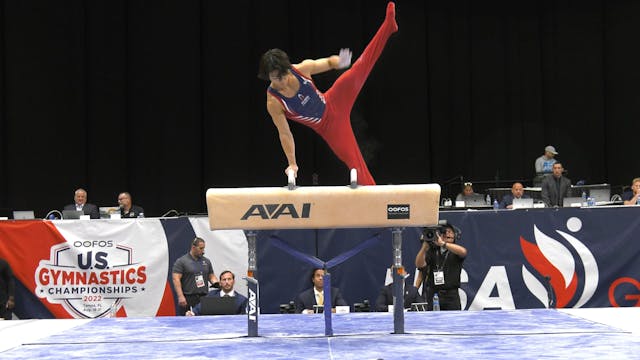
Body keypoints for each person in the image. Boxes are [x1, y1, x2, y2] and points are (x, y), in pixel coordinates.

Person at [257, 2, 398, 186]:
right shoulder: (274, 102)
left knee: (360, 67)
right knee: (355, 164)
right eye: (273, 79)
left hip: (334, 100)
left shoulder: (301, 70)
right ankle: (377, 202)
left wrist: (339, 61)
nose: (279, 82)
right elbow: (285, 134)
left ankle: (388, 26)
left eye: (281, 76)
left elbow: (327, 63)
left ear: (287, 69)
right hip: (329, 127)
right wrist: (292, 163)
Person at [415, 223, 467, 311]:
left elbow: (463, 252)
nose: (448, 234)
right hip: (434, 293)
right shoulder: (432, 251)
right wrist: (424, 247)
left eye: (451, 232)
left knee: (454, 320)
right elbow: (419, 265)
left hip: (451, 295)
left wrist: (443, 244)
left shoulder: (455, 251)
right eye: (445, 232)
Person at [172, 237, 220, 316]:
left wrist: (217, 284)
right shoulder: (182, 261)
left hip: (204, 297)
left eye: (204, 248)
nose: (203, 251)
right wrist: (180, 296)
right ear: (193, 247)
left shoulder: (206, 261)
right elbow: (176, 279)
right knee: (185, 322)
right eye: (201, 248)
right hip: (188, 297)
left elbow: (211, 276)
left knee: (204, 321)